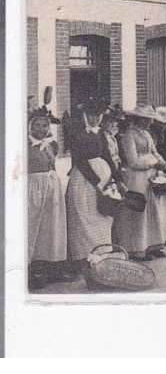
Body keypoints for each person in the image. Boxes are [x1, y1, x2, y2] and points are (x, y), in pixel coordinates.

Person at [64, 98, 125, 268]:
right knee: (85, 217)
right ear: (84, 115)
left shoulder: (100, 134)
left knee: (102, 216)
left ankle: (101, 256)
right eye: (91, 115)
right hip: (84, 181)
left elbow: (107, 157)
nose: (95, 119)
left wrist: (117, 179)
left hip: (103, 181)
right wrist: (96, 182)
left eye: (98, 116)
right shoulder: (76, 134)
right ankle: (84, 258)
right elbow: (80, 161)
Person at [117, 105, 166, 261]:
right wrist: (153, 164)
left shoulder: (147, 134)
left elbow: (154, 151)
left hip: (151, 175)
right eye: (146, 120)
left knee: (154, 210)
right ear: (138, 119)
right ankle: (138, 248)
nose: (148, 123)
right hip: (137, 177)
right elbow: (133, 161)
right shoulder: (129, 136)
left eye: (149, 120)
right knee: (141, 211)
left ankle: (153, 244)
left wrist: (161, 160)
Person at [27, 106, 69, 290]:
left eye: (45, 125)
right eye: (37, 125)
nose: (41, 129)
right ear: (30, 128)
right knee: (32, 226)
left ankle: (51, 265)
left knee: (51, 226)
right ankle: (29, 267)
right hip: (33, 187)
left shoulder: (51, 145)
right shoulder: (26, 146)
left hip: (51, 186)